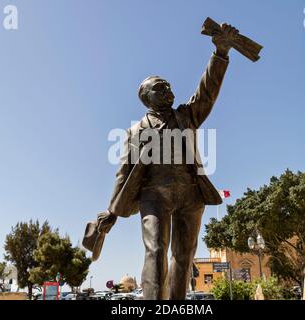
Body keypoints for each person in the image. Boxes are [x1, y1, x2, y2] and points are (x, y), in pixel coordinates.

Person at [83, 23, 239, 300]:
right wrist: (112, 210)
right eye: (160, 87)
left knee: (183, 255)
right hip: (154, 195)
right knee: (155, 250)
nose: (168, 89)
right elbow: (124, 173)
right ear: (147, 98)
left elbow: (207, 92)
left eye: (168, 85)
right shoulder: (135, 132)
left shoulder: (186, 115)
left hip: (191, 193)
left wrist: (220, 53)